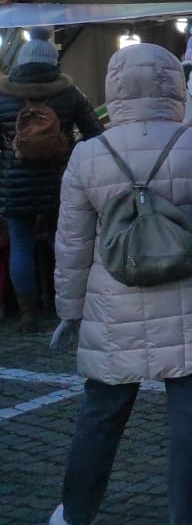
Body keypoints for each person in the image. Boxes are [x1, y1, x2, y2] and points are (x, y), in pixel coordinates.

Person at [47, 43, 192, 525]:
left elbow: (71, 243)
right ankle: (186, 524)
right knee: (191, 408)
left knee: (102, 409)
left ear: (114, 89)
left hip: (112, 301)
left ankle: (75, 521)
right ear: (173, 85)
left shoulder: (87, 155)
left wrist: (70, 310)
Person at [1, 35, 102, 332]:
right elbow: (94, 133)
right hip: (61, 179)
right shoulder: (68, 93)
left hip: (13, 180)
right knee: (65, 244)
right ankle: (68, 307)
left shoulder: (3, 93)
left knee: (20, 246)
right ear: (52, 61)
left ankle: (28, 313)